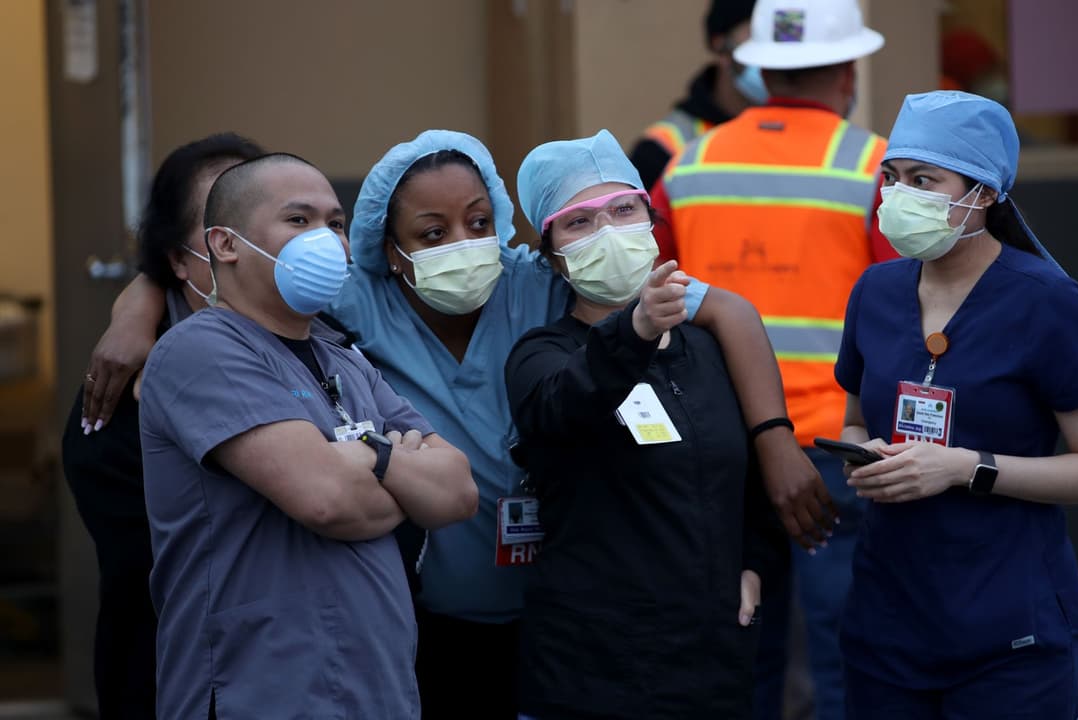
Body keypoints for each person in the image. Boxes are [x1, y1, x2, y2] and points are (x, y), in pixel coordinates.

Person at [88, 129, 833, 717]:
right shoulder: (352, 306)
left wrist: (775, 441)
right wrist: (143, 298)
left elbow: (722, 307)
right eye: (432, 232)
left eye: (480, 222)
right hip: (425, 620)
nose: (463, 245)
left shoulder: (540, 281)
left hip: (555, 608)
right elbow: (251, 288)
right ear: (387, 250)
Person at [139, 153, 478, 718]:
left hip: (377, 692)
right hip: (260, 691)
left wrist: (364, 457)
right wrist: (392, 459)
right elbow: (328, 500)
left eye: (336, 224)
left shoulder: (343, 358)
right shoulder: (202, 349)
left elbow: (458, 494)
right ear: (224, 244)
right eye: (299, 220)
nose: (326, 239)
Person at [834, 91, 1078, 719]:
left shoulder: (1045, 300)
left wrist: (965, 466)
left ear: (986, 194)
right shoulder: (875, 290)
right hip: (887, 619)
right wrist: (864, 454)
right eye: (892, 177)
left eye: (923, 179)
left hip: (1007, 629)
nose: (898, 195)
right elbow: (858, 417)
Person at [653, 1, 892, 717]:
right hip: (832, 450)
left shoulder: (686, 167)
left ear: (757, 68)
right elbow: (902, 318)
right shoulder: (875, 168)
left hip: (725, 449)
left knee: (741, 648)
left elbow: (655, 305)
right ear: (849, 70)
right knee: (848, 653)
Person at [506, 129, 788, 718]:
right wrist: (631, 332)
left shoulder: (708, 347)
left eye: (623, 209)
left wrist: (755, 563)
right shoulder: (542, 354)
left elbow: (739, 475)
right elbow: (564, 405)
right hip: (594, 673)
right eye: (579, 222)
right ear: (552, 251)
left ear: (650, 220)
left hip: (710, 665)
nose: (608, 230)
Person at [59, 132, 263, 719]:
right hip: (174, 679)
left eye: (264, 217)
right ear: (178, 257)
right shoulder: (117, 402)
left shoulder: (334, 348)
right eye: (222, 228)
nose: (245, 245)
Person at [629, 0, 760, 191]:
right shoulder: (662, 151)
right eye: (758, 32)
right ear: (720, 44)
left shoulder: (807, 131)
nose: (773, 49)